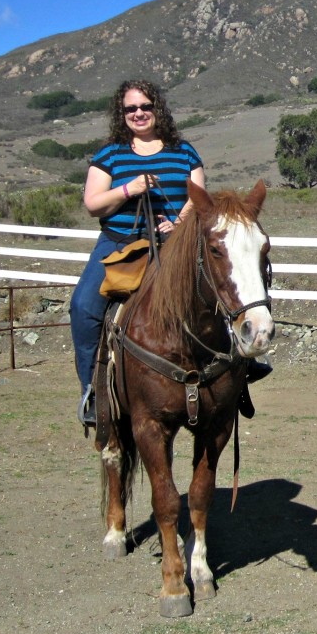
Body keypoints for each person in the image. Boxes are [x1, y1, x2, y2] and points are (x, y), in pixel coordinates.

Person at [69, 79, 205, 429]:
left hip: (174, 246)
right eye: (131, 108)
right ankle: (92, 392)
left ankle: (240, 370)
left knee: (219, 293)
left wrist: (178, 221)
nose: (139, 113)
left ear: (157, 108)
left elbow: (198, 196)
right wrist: (129, 188)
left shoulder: (185, 152)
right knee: (84, 307)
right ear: (122, 113)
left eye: (145, 106)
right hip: (119, 245)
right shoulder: (110, 154)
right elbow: (92, 204)